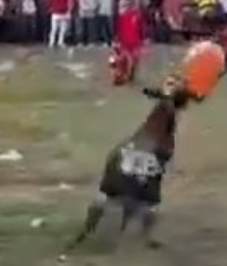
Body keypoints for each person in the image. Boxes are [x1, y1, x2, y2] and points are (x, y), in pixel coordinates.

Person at [73, 77, 194, 249]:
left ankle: (86, 232)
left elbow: (156, 95)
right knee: (146, 203)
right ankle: (143, 237)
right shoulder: (167, 113)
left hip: (133, 153)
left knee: (108, 196)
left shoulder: (163, 111)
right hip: (147, 158)